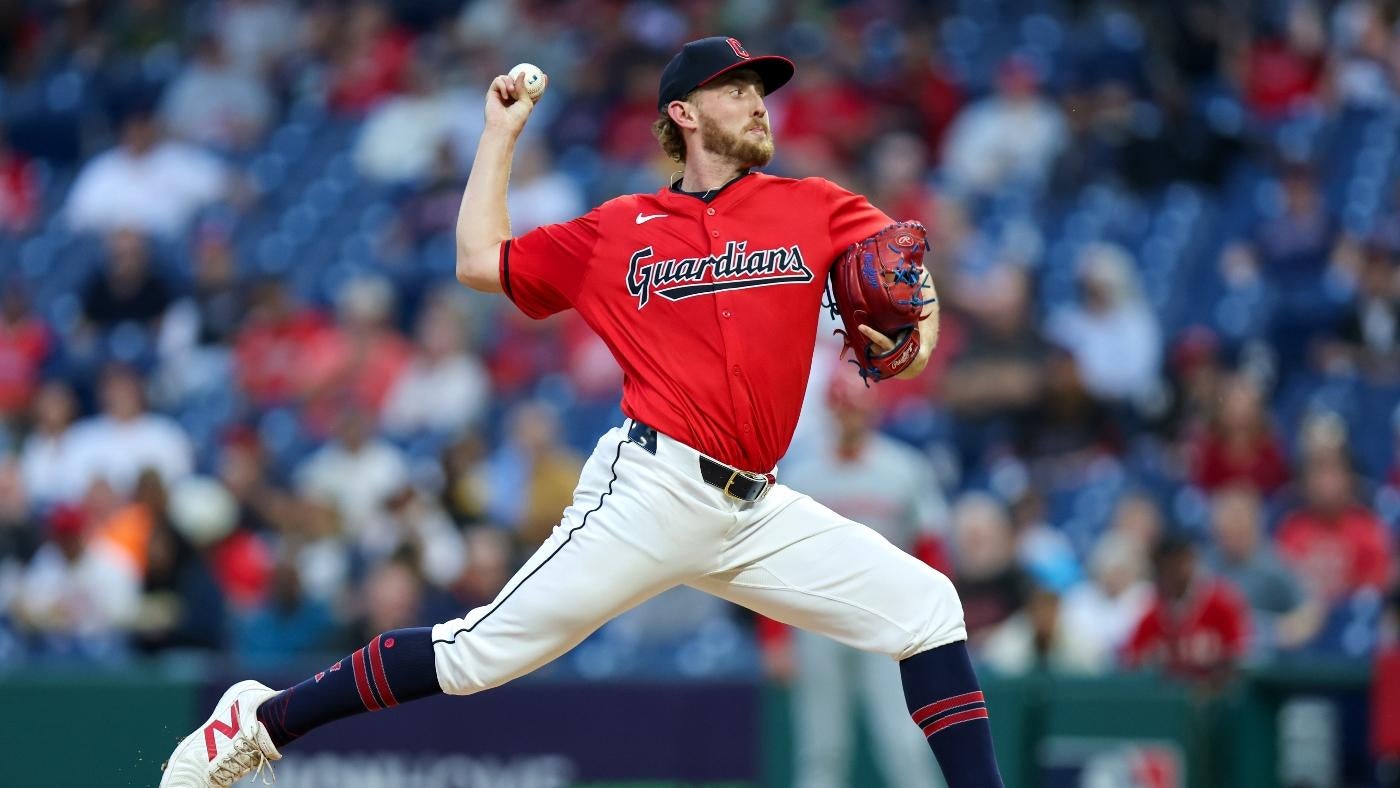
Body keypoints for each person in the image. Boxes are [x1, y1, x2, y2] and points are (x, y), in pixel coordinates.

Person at [161, 36, 1003, 787]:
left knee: (928, 608)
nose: (756, 100)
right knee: (476, 653)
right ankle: (262, 721)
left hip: (755, 507)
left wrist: (918, 339)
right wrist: (500, 134)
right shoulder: (619, 230)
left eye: (760, 87)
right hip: (650, 490)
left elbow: (905, 272)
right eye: (736, 87)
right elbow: (478, 260)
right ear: (685, 112)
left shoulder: (813, 202)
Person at [766, 375, 948, 788]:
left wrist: (932, 618)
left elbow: (930, 548)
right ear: (830, 412)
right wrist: (774, 635)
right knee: (821, 745)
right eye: (843, 409)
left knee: (902, 740)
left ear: (873, 411)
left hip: (886, 616)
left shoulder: (903, 468)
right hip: (819, 616)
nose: (851, 418)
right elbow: (775, 557)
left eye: (858, 409)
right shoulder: (803, 473)